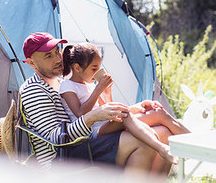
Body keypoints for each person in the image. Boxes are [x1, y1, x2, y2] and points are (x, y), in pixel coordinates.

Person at [19, 32, 173, 173]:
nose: (58, 59)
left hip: (83, 142)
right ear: (32, 63)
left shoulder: (61, 82)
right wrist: (92, 117)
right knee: (142, 142)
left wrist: (134, 108)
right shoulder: (34, 90)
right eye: (48, 56)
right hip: (62, 158)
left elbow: (94, 111)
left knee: (162, 133)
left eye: (57, 52)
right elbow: (54, 139)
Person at [59, 43, 190, 164]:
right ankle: (162, 148)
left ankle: (196, 142)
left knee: (157, 112)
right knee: (125, 115)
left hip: (103, 125)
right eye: (94, 69)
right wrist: (98, 90)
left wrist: (107, 93)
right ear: (77, 67)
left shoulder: (89, 85)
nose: (97, 72)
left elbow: (108, 108)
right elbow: (80, 113)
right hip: (90, 133)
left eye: (99, 68)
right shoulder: (67, 86)